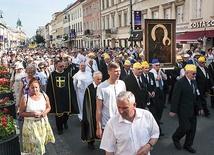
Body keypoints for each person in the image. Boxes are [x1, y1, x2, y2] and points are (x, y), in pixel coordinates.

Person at [169, 64, 203, 153]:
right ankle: (176, 137)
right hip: (183, 109)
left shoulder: (194, 82)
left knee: (192, 129)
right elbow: (175, 97)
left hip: (193, 109)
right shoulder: (180, 83)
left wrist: (200, 108)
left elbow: (197, 95)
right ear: (187, 73)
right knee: (185, 127)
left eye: (195, 74)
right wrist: (173, 110)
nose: (195, 76)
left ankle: (188, 145)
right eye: (193, 74)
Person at [19, 77, 55, 155]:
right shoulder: (25, 98)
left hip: (42, 123)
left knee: (40, 144)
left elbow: (49, 107)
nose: (35, 89)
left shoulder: (44, 96)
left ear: (39, 87)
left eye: (36, 87)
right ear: (29, 87)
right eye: (32, 87)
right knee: (37, 143)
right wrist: (32, 114)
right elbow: (21, 112)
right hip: (30, 124)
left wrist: (45, 112)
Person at [46, 59, 79, 135]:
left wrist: (72, 95)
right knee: (59, 113)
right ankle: (59, 128)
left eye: (63, 66)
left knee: (66, 112)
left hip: (66, 97)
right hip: (57, 98)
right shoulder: (52, 75)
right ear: (56, 66)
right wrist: (49, 98)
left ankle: (65, 122)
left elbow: (71, 86)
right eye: (60, 66)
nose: (62, 67)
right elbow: (49, 88)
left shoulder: (67, 74)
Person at [96, 62, 126, 139]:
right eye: (116, 71)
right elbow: (98, 108)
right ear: (109, 71)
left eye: (119, 71)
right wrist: (98, 127)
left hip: (121, 121)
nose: (118, 73)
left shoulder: (122, 84)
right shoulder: (101, 87)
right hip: (107, 123)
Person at [81, 71, 102, 150]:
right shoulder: (89, 89)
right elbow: (86, 101)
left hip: (101, 110)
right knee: (92, 125)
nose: (99, 81)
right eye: (97, 79)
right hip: (92, 110)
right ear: (93, 79)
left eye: (100, 79)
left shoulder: (103, 87)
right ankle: (91, 142)